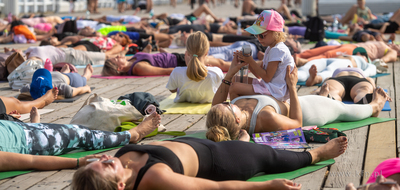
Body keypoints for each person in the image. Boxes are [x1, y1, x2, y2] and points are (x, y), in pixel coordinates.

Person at [1, 127, 350, 190]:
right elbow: (214, 189)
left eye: (99, 158)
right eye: (105, 164)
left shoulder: (121, 163)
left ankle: (242, 137)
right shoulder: (153, 179)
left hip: (196, 144)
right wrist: (267, 187)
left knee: (243, 138)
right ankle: (316, 152)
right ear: (121, 185)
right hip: (225, 159)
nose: (107, 158)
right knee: (274, 157)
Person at [206, 56, 388, 141]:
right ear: (237, 119)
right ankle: (374, 106)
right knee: (344, 110)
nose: (225, 102)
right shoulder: (264, 118)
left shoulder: (232, 109)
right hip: (310, 110)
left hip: (295, 102)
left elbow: (217, 104)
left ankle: (325, 95)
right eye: (227, 106)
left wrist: (230, 73)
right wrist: (292, 86)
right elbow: (297, 122)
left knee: (236, 86)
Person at [0, 107, 161, 156]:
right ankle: (132, 135)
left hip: (20, 131)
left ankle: (36, 126)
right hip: (27, 140)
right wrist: (76, 162)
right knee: (79, 134)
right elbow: (27, 161)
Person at [228, 10, 295, 101]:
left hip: (276, 91)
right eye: (257, 35)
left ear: (276, 33)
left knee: (234, 87)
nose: (259, 39)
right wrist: (247, 62)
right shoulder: (271, 48)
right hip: (269, 86)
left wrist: (251, 60)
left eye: (262, 36)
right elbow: (259, 75)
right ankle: (243, 105)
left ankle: (238, 109)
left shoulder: (278, 50)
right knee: (236, 79)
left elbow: (267, 77)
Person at [166, 32, 223, 103]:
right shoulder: (216, 72)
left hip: (182, 104)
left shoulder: (177, 71)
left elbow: (172, 90)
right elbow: (221, 90)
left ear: (187, 52)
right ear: (207, 52)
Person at [102, 51, 230, 77]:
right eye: (116, 59)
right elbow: (165, 71)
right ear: (119, 67)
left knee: (217, 60)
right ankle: (243, 65)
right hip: (179, 61)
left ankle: (241, 64)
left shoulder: (131, 60)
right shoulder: (138, 68)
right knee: (220, 63)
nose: (118, 56)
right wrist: (191, 67)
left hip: (175, 55)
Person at [315, 67, 391, 106]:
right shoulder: (361, 72)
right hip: (358, 80)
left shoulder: (334, 73)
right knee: (364, 90)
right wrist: (376, 91)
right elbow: (370, 81)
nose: (349, 66)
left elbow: (326, 82)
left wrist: (318, 91)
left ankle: (331, 98)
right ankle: (365, 98)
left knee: (332, 90)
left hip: (338, 80)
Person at [294, 41, 400, 66]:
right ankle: (295, 57)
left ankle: (304, 62)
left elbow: (392, 56)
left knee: (327, 55)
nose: (396, 45)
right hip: (350, 45)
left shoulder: (392, 51)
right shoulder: (386, 44)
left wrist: (381, 61)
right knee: (315, 51)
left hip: (355, 51)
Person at [299, 53, 376, 86]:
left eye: (364, 55)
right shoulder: (351, 55)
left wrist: (360, 74)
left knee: (331, 70)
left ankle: (316, 79)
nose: (360, 53)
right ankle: (293, 76)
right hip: (327, 60)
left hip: (347, 63)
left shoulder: (367, 63)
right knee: (305, 69)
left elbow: (372, 70)